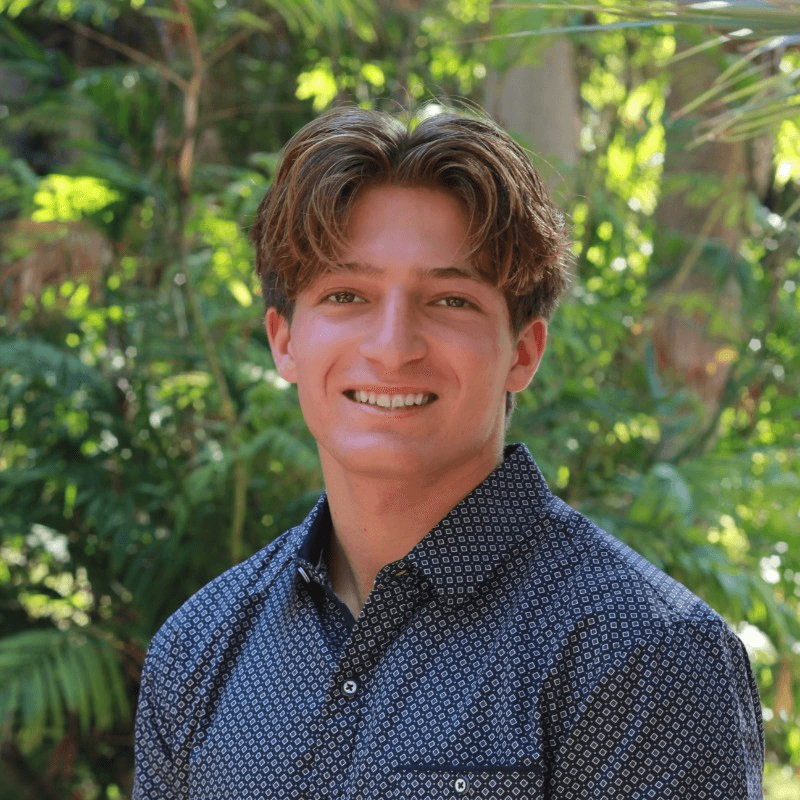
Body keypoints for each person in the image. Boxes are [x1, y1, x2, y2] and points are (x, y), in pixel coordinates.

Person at [132, 106, 764, 799]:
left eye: (450, 301)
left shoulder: (644, 653)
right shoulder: (198, 648)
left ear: (523, 352)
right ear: (284, 341)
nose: (393, 346)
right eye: (347, 295)